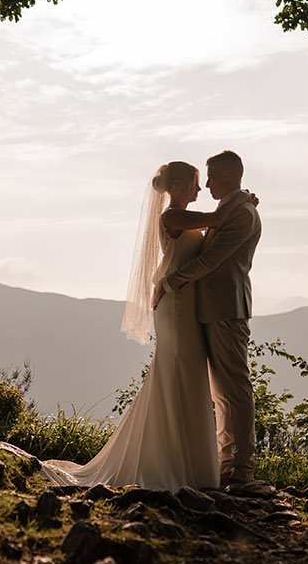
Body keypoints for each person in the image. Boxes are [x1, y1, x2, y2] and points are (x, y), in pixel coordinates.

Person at [40, 161, 254, 492]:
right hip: (176, 303)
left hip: (186, 304)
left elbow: (218, 229)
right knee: (177, 374)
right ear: (180, 185)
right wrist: (244, 199)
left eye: (205, 180)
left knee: (186, 378)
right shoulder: (172, 216)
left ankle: (190, 461)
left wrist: (243, 200)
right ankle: (176, 462)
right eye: (196, 183)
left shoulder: (186, 216)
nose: (201, 188)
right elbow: (219, 219)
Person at [154, 150, 262, 487]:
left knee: (235, 388)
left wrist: (169, 282)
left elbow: (212, 259)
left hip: (227, 309)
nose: (208, 184)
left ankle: (242, 468)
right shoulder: (227, 210)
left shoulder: (241, 213)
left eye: (212, 178)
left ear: (227, 176)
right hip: (206, 309)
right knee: (221, 393)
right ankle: (226, 463)